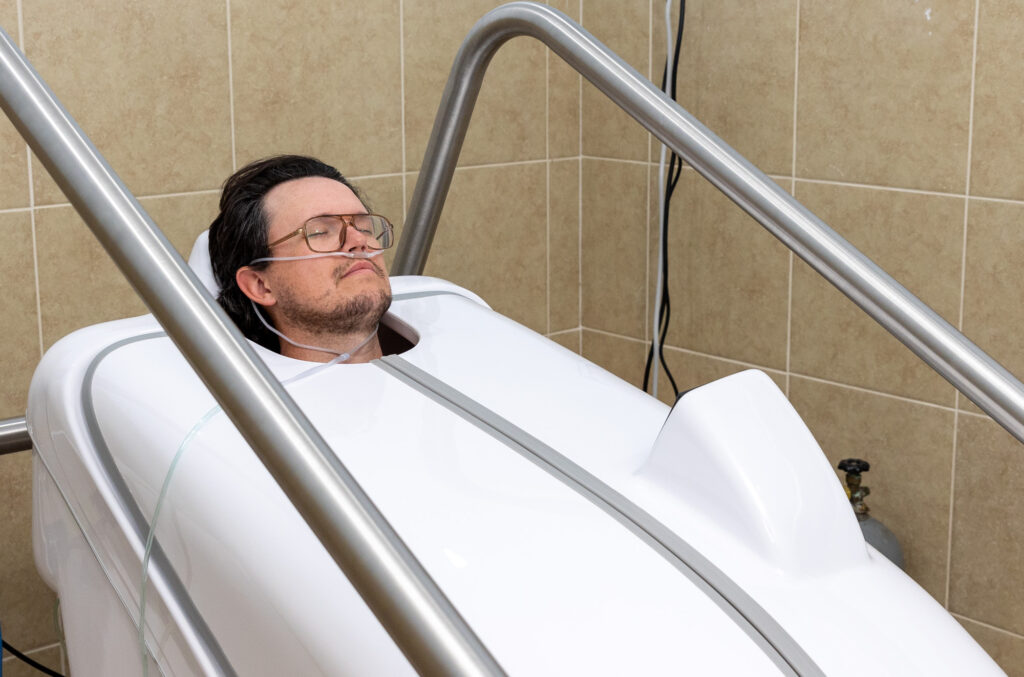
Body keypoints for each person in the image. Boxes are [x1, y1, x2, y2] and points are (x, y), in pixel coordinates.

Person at [208, 155, 395, 364]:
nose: (359, 240)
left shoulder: (435, 354)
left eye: (364, 227)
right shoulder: (257, 396)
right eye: (319, 232)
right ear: (260, 285)